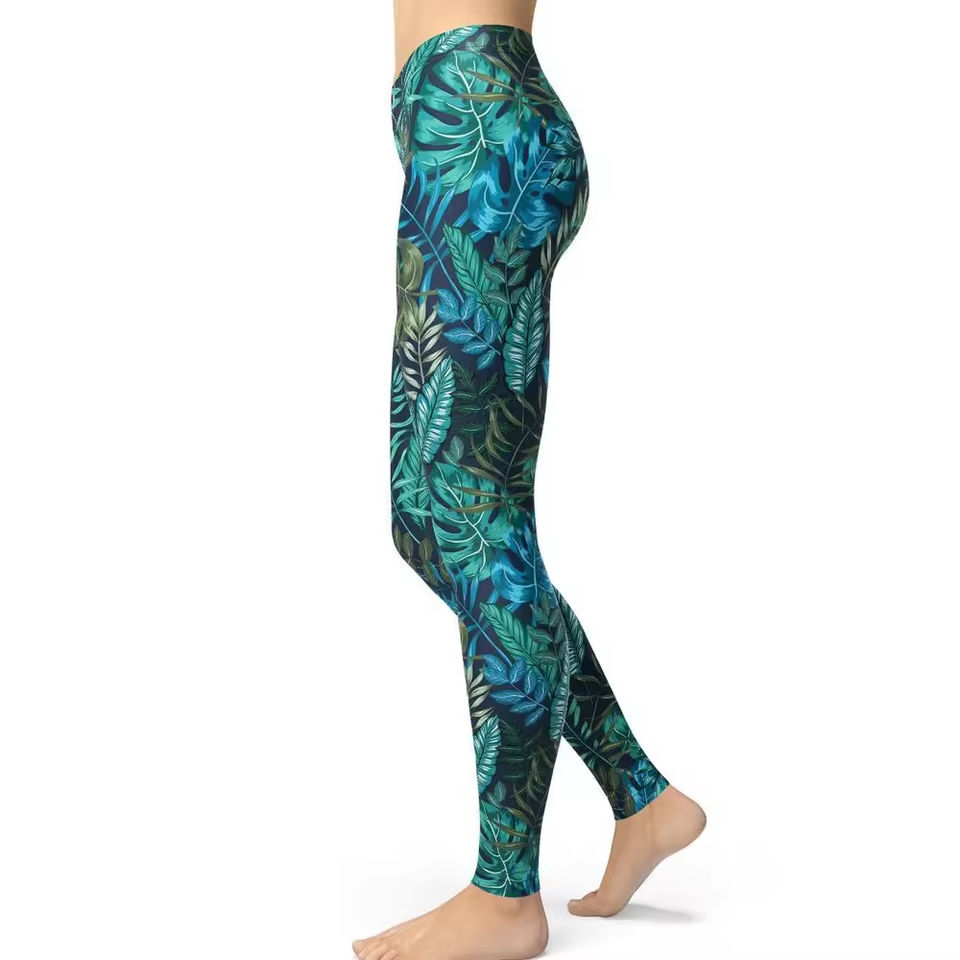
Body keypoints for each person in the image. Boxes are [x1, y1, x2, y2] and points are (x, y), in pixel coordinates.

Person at [354, 2, 705, 957]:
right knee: (427, 518)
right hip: (462, 123)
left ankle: (506, 897)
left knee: (469, 516)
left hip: (478, 122)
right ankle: (641, 795)